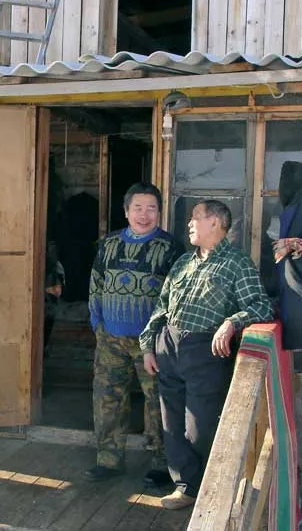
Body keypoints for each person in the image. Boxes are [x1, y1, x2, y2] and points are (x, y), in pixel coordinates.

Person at [139, 199, 273, 510]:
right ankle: (185, 487)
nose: (189, 224)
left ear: (215, 222)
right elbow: (161, 305)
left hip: (205, 351)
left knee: (199, 428)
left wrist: (231, 322)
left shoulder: (236, 263)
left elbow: (261, 306)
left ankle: (212, 489)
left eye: (195, 218)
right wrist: (148, 344)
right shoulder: (184, 262)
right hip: (169, 346)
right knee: (171, 425)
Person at [84, 182, 182, 487]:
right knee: (107, 399)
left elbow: (176, 295)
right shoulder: (107, 244)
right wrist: (97, 324)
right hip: (110, 338)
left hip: (151, 341)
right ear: (126, 211)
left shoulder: (170, 247)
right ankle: (109, 459)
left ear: (159, 212)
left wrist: (164, 335)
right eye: (137, 208)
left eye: (151, 208)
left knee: (158, 402)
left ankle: (162, 465)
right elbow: (96, 283)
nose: (144, 214)